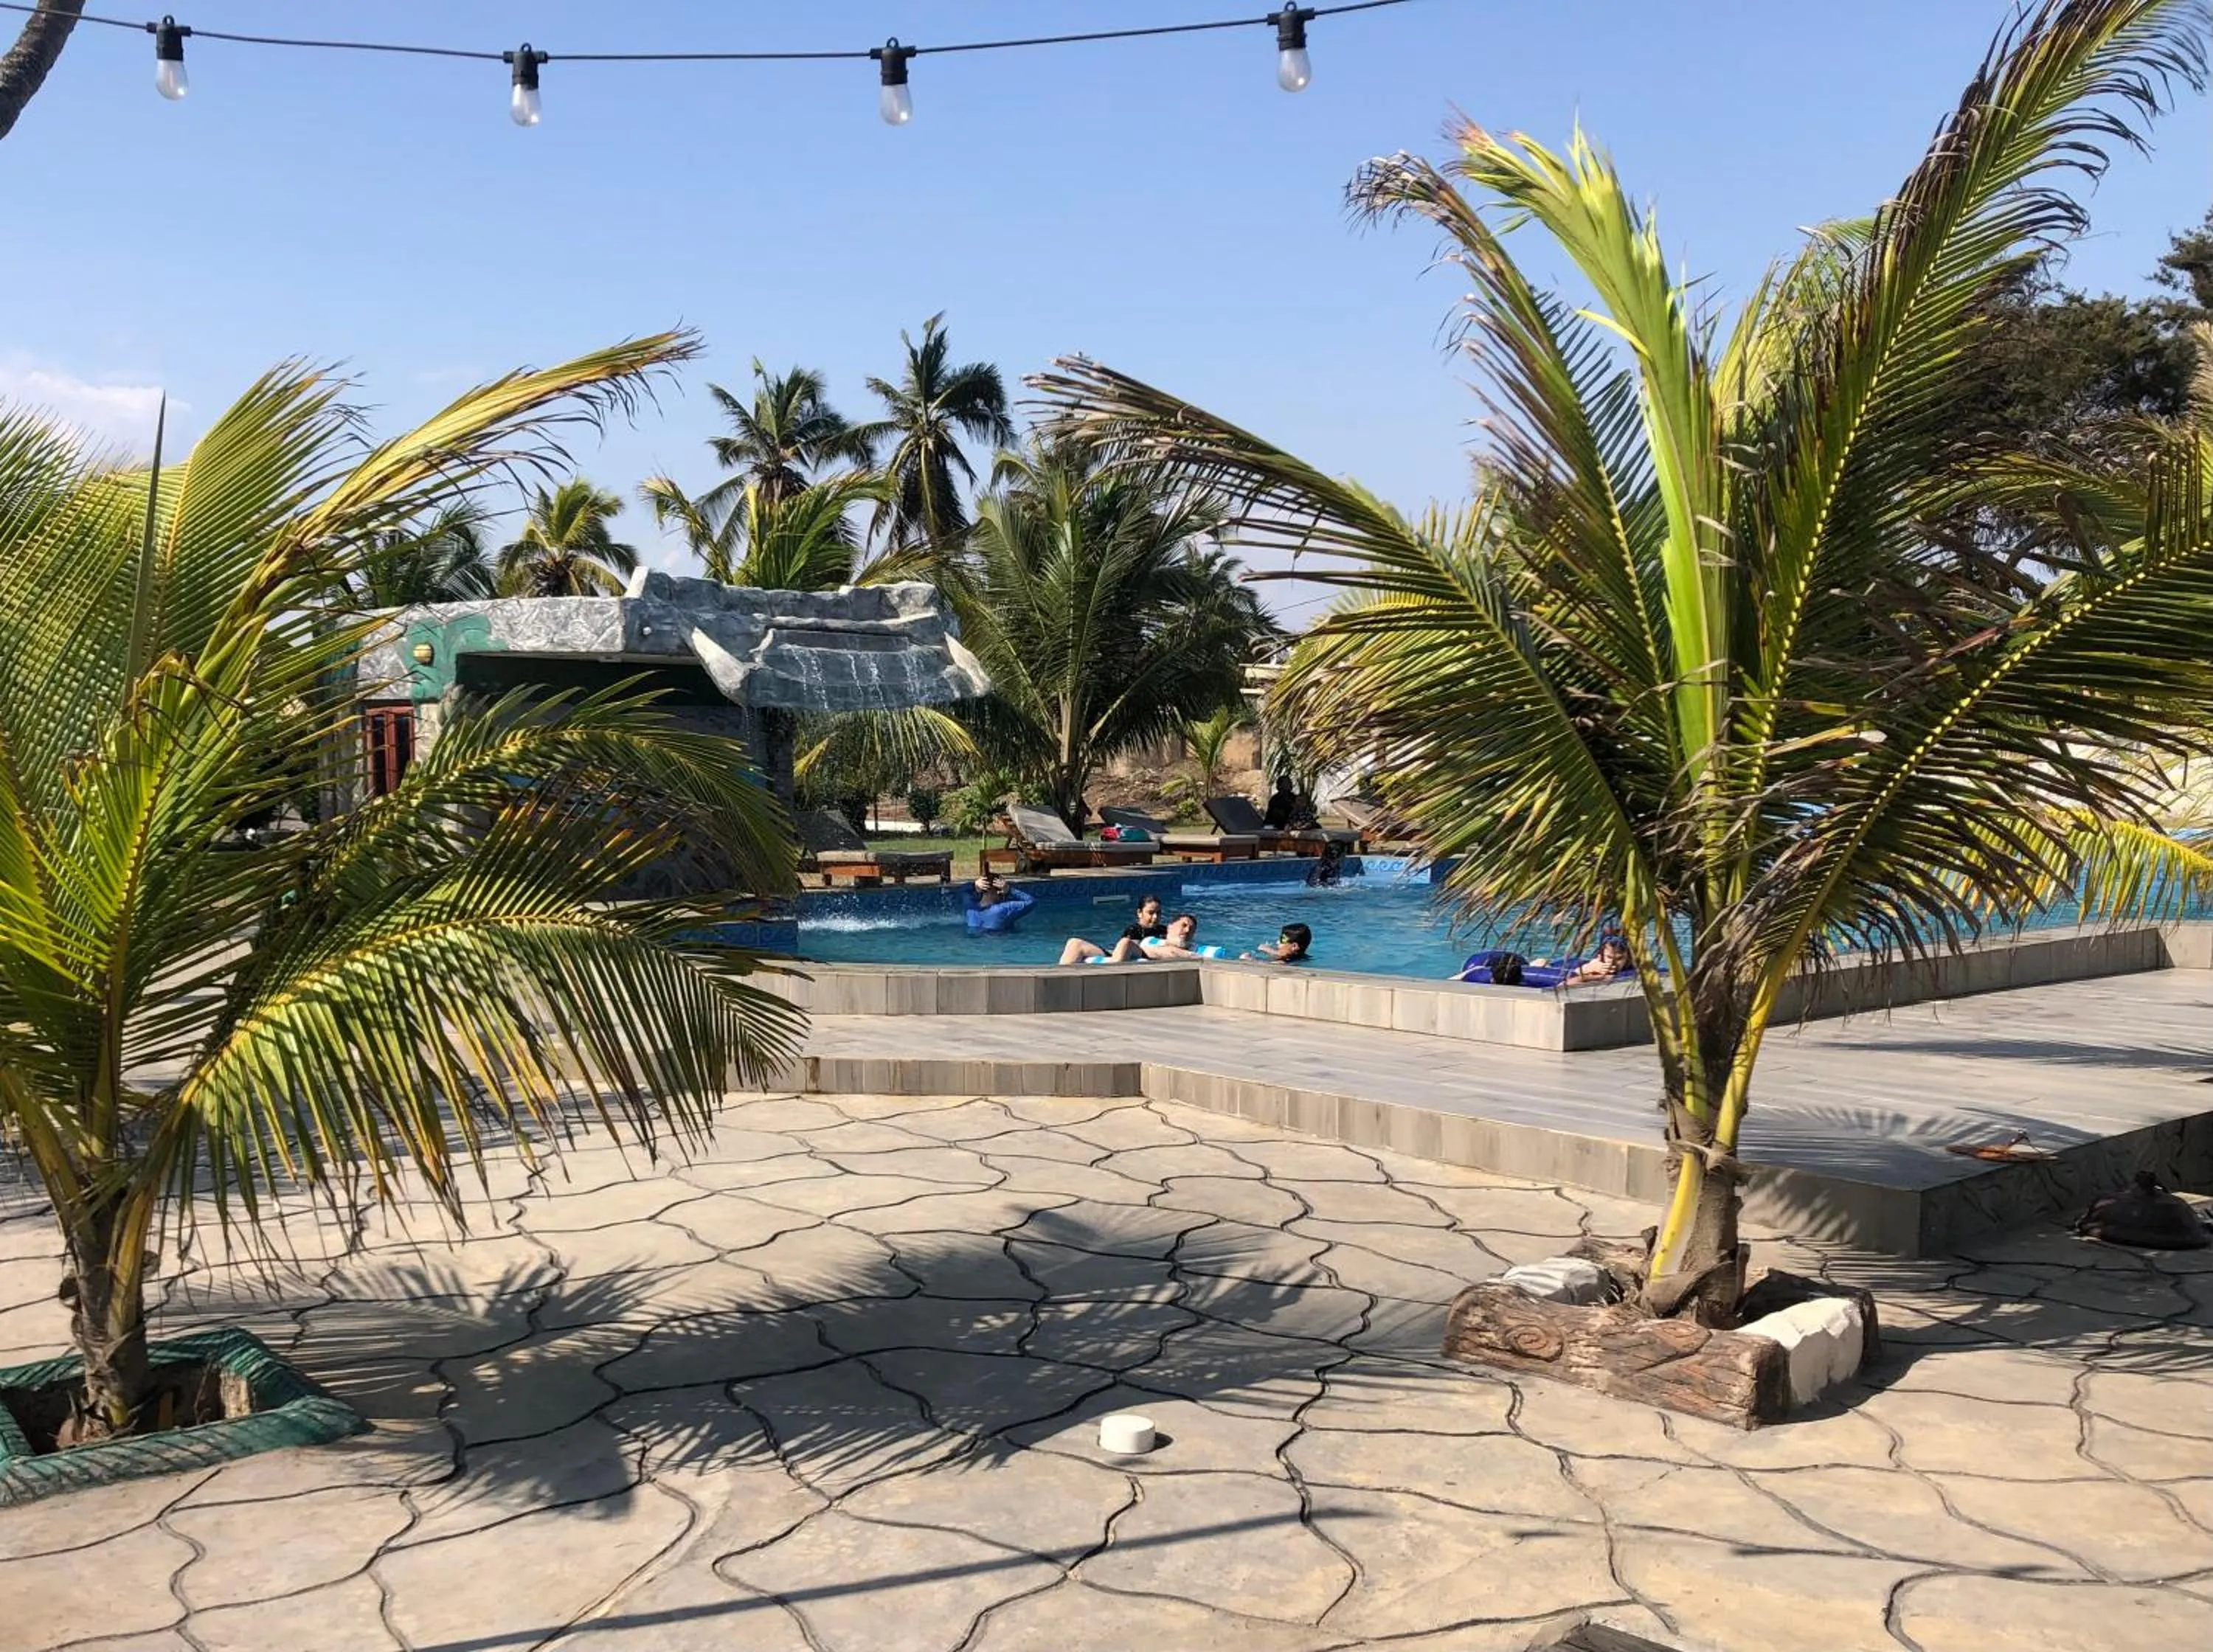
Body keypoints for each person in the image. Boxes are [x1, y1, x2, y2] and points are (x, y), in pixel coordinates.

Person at [1057, 895, 1168, 965]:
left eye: (1158, 913)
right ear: (1139, 913)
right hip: (1116, 955)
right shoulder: (1134, 930)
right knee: (1074, 943)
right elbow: (1128, 952)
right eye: (1151, 913)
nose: (1155, 917)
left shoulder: (1164, 930)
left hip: (1123, 956)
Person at [963, 872, 1034, 934]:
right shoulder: (1003, 909)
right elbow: (1032, 901)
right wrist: (1010, 890)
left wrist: (974, 885)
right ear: (999, 891)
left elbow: (962, 891)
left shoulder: (970, 910)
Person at [1559, 934, 1632, 985]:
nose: (1612, 963)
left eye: (1619, 959)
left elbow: (1564, 986)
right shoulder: (1580, 963)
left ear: (1628, 959)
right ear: (1600, 955)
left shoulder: (1630, 974)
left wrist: (1585, 972)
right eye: (1609, 957)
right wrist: (1589, 968)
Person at [1244, 922, 1312, 965]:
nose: (1278, 942)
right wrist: (1267, 949)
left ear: (1294, 946)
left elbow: (1267, 966)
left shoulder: (1283, 962)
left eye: (1282, 939)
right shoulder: (1302, 957)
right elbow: (1280, 953)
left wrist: (1249, 959)